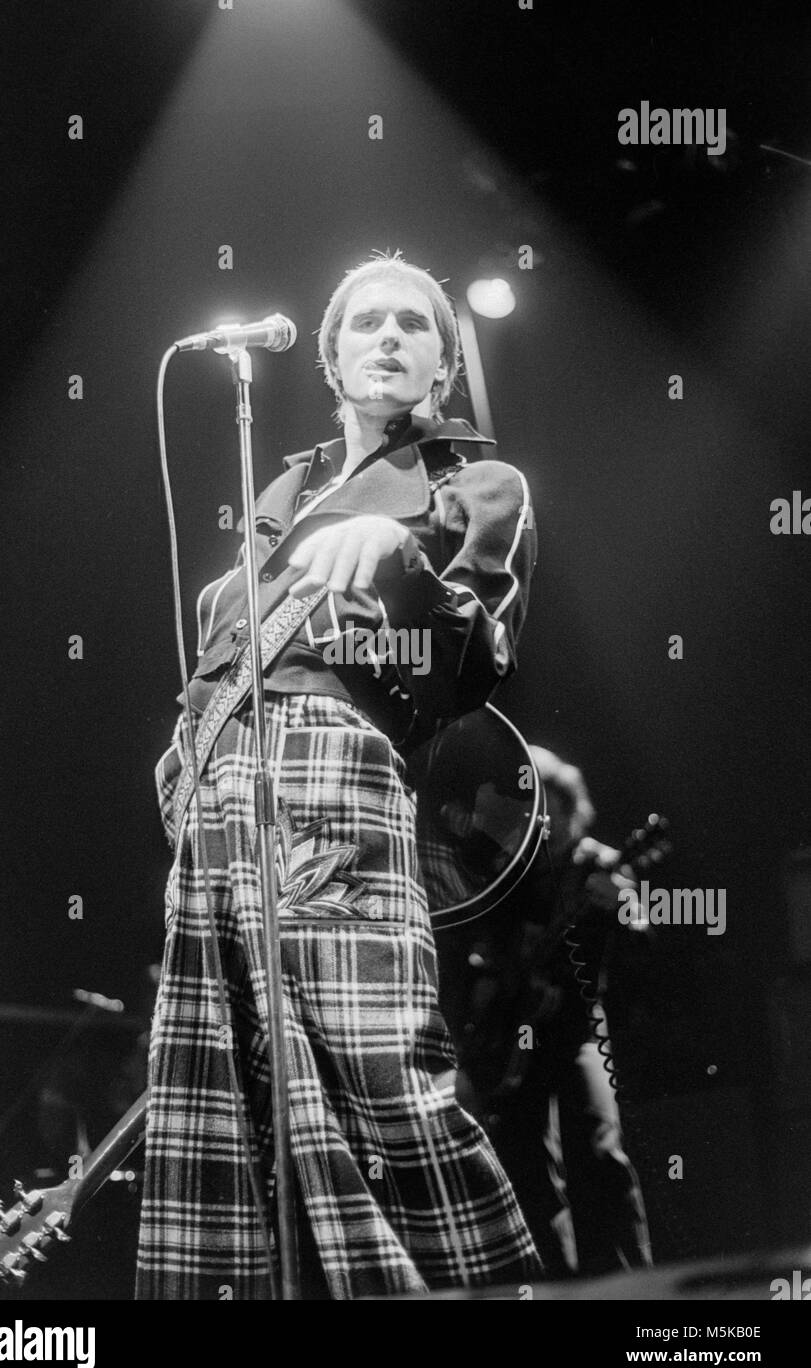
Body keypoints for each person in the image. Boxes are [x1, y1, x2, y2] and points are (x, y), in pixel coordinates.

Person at [136, 253, 539, 1299]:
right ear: (330, 357)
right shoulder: (281, 488)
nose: (390, 335)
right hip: (222, 789)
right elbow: (228, 635)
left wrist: (397, 553)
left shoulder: (475, 483)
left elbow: (479, 665)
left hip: (337, 774)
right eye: (367, 323)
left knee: (386, 1081)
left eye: (415, 324)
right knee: (223, 1108)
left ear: (443, 366)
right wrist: (189, 740)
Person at [437, 747, 653, 1278]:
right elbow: (477, 949)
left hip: (578, 1027)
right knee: (530, 1166)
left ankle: (632, 1286)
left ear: (570, 805)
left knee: (601, 1149)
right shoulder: (511, 875)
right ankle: (552, 1283)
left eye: (553, 805)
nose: (545, 817)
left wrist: (623, 906)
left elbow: (644, 928)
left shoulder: (598, 863)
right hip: (518, 1033)